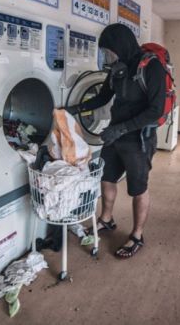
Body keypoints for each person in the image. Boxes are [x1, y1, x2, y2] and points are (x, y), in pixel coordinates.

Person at [66, 23, 166, 259]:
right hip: (115, 134)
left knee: (138, 187)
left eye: (108, 51)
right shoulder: (117, 68)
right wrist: (74, 109)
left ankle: (137, 235)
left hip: (139, 136)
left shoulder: (151, 67)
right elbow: (102, 98)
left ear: (120, 46)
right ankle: (107, 219)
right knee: (106, 176)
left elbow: (156, 111)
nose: (106, 56)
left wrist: (121, 128)